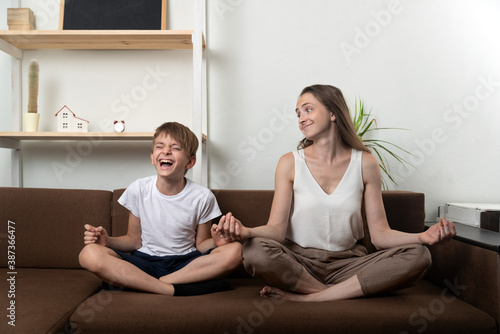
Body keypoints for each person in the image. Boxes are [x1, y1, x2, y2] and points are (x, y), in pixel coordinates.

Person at [217, 84, 456, 302]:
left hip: (349, 264)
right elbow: (276, 233)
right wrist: (245, 232)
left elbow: (380, 236)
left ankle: (308, 297)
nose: (301, 118)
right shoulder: (289, 162)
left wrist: (421, 237)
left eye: (308, 109)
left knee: (419, 255)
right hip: (301, 263)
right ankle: (331, 293)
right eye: (298, 113)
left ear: (333, 113)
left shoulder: (366, 163)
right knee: (254, 250)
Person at [79, 122, 242, 296]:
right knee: (89, 254)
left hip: (185, 264)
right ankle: (169, 289)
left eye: (175, 147)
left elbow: (201, 245)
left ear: (190, 162)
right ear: (152, 157)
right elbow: (134, 240)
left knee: (235, 250)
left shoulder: (202, 196)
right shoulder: (139, 189)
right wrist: (107, 241)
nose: (166, 151)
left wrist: (217, 242)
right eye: (160, 146)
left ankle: (144, 283)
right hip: (144, 262)